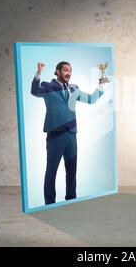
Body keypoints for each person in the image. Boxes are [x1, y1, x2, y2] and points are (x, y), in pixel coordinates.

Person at [31, 61, 104, 204]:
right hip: (55, 135)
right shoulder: (48, 86)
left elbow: (91, 99)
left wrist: (101, 85)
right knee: (51, 171)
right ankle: (49, 203)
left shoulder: (74, 88)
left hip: (71, 134)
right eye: (65, 70)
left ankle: (71, 199)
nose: (68, 73)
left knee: (72, 171)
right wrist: (38, 72)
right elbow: (34, 91)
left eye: (70, 70)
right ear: (57, 71)